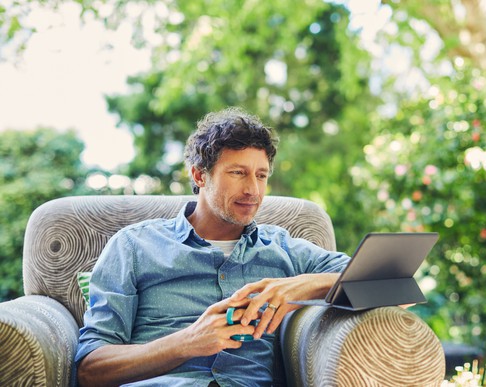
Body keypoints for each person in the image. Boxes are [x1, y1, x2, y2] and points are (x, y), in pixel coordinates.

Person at [75, 107, 350, 386]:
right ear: (199, 176)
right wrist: (186, 342)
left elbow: (391, 283)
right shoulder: (133, 246)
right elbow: (90, 370)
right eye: (237, 173)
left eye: (261, 175)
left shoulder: (284, 250)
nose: (253, 190)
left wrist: (303, 286)